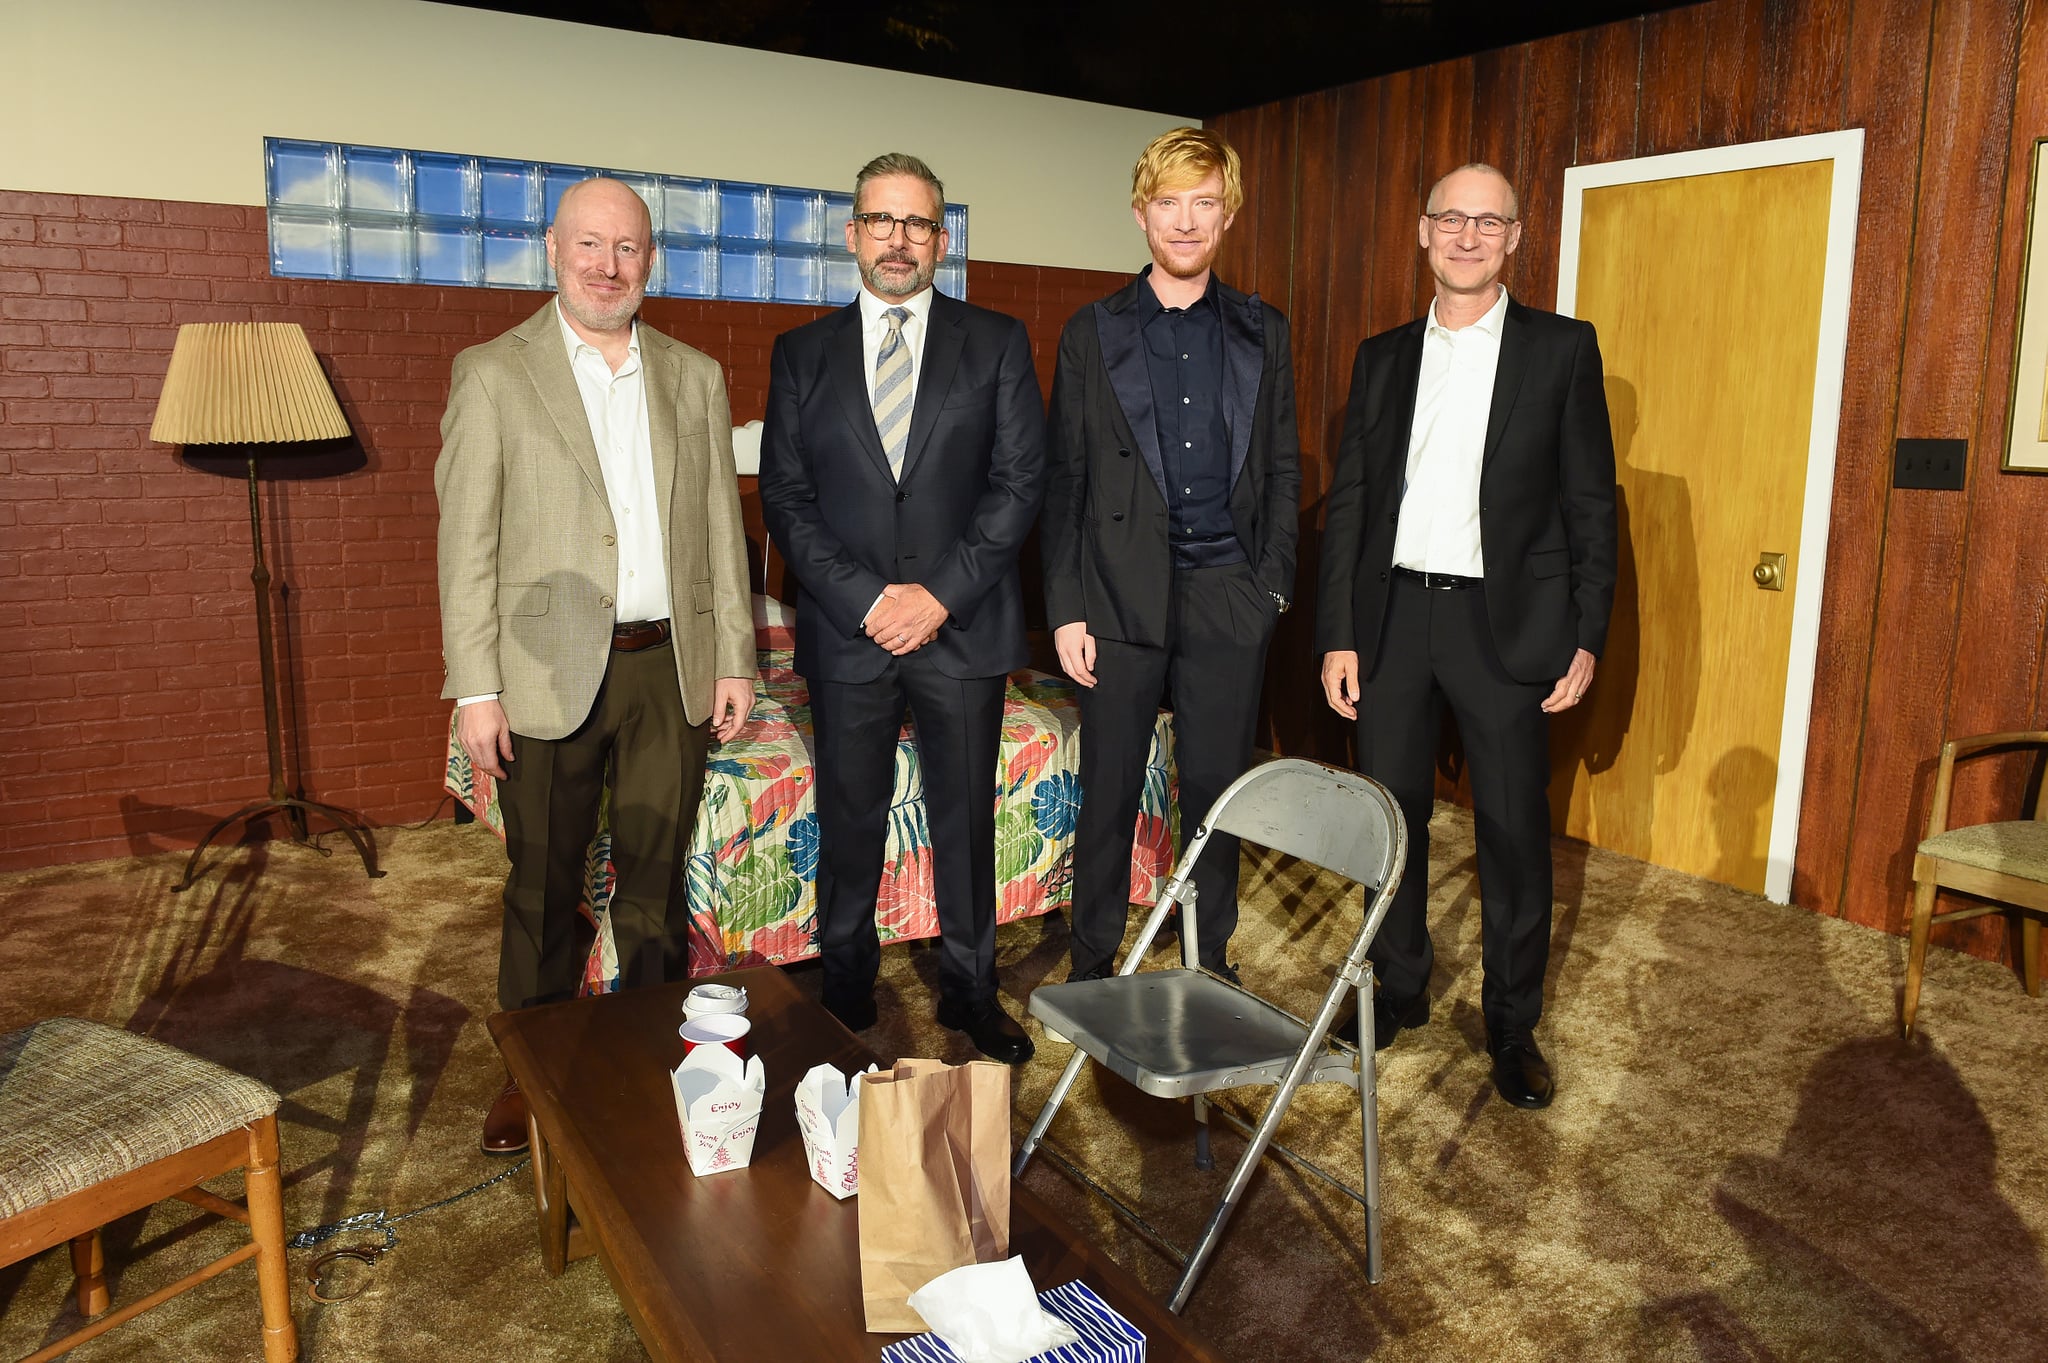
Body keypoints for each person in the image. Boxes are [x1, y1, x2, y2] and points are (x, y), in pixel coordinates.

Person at [436, 177, 756, 1153]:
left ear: (648, 261)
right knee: (542, 884)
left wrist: (733, 656)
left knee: (657, 887)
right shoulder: (493, 373)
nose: (608, 265)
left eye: (627, 248)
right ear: (553, 249)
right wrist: (475, 685)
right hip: (544, 676)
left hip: (669, 667)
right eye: (590, 245)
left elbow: (717, 531)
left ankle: (648, 1054)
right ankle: (530, 1073)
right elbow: (467, 541)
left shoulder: (693, 375)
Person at [1316, 163, 1617, 1109]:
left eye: (1490, 221)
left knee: (1514, 835)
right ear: (1422, 231)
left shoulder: (1562, 350)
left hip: (1510, 625)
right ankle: (1398, 987)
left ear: (1517, 238)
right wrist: (1338, 631)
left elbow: (1589, 505)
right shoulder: (1382, 356)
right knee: (1390, 820)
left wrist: (1587, 635)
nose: (1468, 235)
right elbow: (1356, 502)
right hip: (1397, 617)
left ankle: (1511, 1024)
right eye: (1452, 218)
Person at [759, 153, 1046, 1064]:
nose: (897, 239)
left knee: (966, 820)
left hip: (960, 627)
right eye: (880, 222)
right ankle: (843, 986)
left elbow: (1018, 483)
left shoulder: (996, 341)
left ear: (941, 240)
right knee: (850, 817)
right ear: (852, 235)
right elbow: (787, 498)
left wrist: (936, 596)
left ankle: (969, 990)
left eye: (916, 224)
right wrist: (869, 598)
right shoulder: (801, 353)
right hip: (851, 632)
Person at [1040, 127, 1301, 984]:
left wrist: (1271, 590)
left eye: (1204, 203)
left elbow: (1283, 464)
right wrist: (1067, 606)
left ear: (1228, 213)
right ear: (1140, 212)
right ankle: (1091, 958)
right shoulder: (1093, 331)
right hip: (1118, 597)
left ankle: (1207, 953)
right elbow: (1066, 477)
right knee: (1110, 789)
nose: (1185, 222)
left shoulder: (1265, 330)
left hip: (1230, 593)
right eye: (1168, 204)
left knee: (1217, 795)